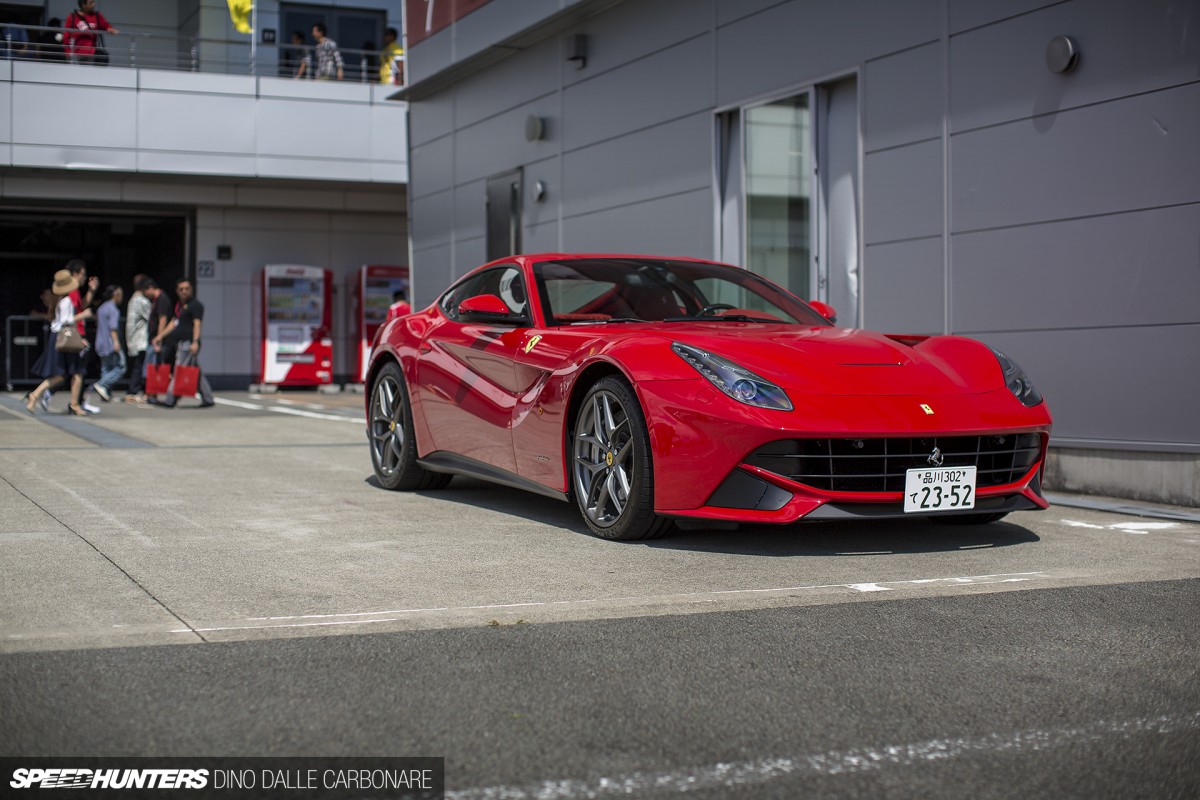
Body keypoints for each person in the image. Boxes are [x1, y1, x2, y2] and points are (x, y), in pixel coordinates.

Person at [25, 269, 94, 416]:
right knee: (76, 372)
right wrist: (83, 315)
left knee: (61, 375)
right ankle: (73, 404)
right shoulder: (66, 301)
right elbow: (65, 321)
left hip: (58, 337)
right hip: (64, 338)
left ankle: (35, 395)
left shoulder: (58, 300)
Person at [160, 278, 214, 408]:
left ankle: (170, 399)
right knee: (196, 371)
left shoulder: (196, 305)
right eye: (181, 289)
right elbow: (173, 323)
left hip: (188, 343)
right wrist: (160, 336)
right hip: (180, 342)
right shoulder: (180, 306)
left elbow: (197, 324)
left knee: (180, 368)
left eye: (187, 289)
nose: (184, 292)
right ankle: (208, 398)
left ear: (192, 290)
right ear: (177, 291)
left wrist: (195, 341)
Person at [89, 284, 124, 402]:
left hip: (100, 342)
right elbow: (113, 328)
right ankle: (102, 384)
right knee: (121, 367)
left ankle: (105, 392)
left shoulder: (102, 308)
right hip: (110, 342)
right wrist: (116, 341)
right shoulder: (113, 309)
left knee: (106, 368)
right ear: (115, 295)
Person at [144, 279, 172, 404]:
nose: (146, 294)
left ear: (151, 288)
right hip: (155, 339)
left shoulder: (162, 299)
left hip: (158, 340)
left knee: (156, 366)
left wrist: (159, 338)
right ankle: (152, 393)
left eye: (146, 291)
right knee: (153, 366)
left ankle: (153, 393)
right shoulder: (157, 300)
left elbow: (162, 319)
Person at [64, 0, 118, 65]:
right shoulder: (72, 17)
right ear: (83, 5)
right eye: (91, 3)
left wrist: (110, 29)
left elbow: (106, 25)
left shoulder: (97, 16)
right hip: (77, 54)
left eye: (93, 2)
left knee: (103, 58)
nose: (94, 4)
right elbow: (66, 36)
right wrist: (67, 51)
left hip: (92, 52)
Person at [124, 274, 151, 402]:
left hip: (133, 338)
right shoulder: (142, 301)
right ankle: (133, 391)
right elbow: (151, 317)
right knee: (140, 366)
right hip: (141, 338)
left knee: (137, 365)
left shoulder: (132, 299)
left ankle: (133, 391)